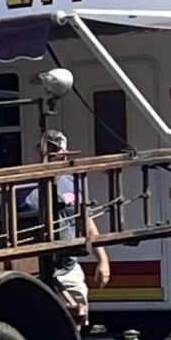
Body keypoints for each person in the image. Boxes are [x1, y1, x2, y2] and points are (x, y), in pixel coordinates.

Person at [30, 128, 109, 329]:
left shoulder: (72, 184)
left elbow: (87, 222)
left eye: (54, 150)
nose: (48, 155)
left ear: (64, 153)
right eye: (44, 149)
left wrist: (103, 259)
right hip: (33, 272)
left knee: (77, 317)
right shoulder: (22, 186)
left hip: (67, 267)